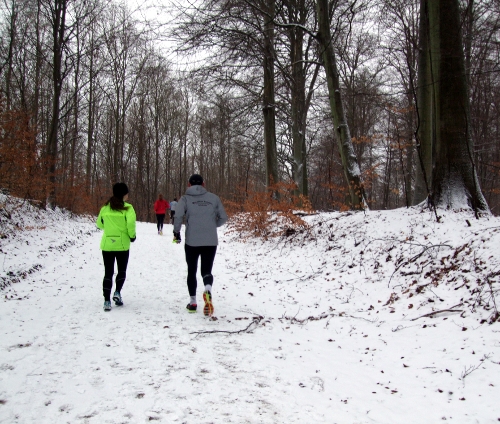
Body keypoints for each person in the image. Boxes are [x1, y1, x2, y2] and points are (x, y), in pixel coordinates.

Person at [173, 174, 227, 316]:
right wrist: (211, 225)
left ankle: (193, 302)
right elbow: (223, 217)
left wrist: (176, 232)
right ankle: (208, 289)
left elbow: (178, 215)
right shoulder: (214, 198)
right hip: (210, 240)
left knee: (191, 270)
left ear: (188, 184)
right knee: (206, 270)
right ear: (204, 183)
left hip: (192, 240)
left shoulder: (185, 199)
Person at [96, 182, 136, 311]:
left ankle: (107, 301)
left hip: (107, 244)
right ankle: (117, 292)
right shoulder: (128, 208)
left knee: (108, 272)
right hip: (122, 244)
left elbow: (99, 224)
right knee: (121, 270)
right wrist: (132, 236)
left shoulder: (105, 208)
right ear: (124, 194)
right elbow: (130, 224)